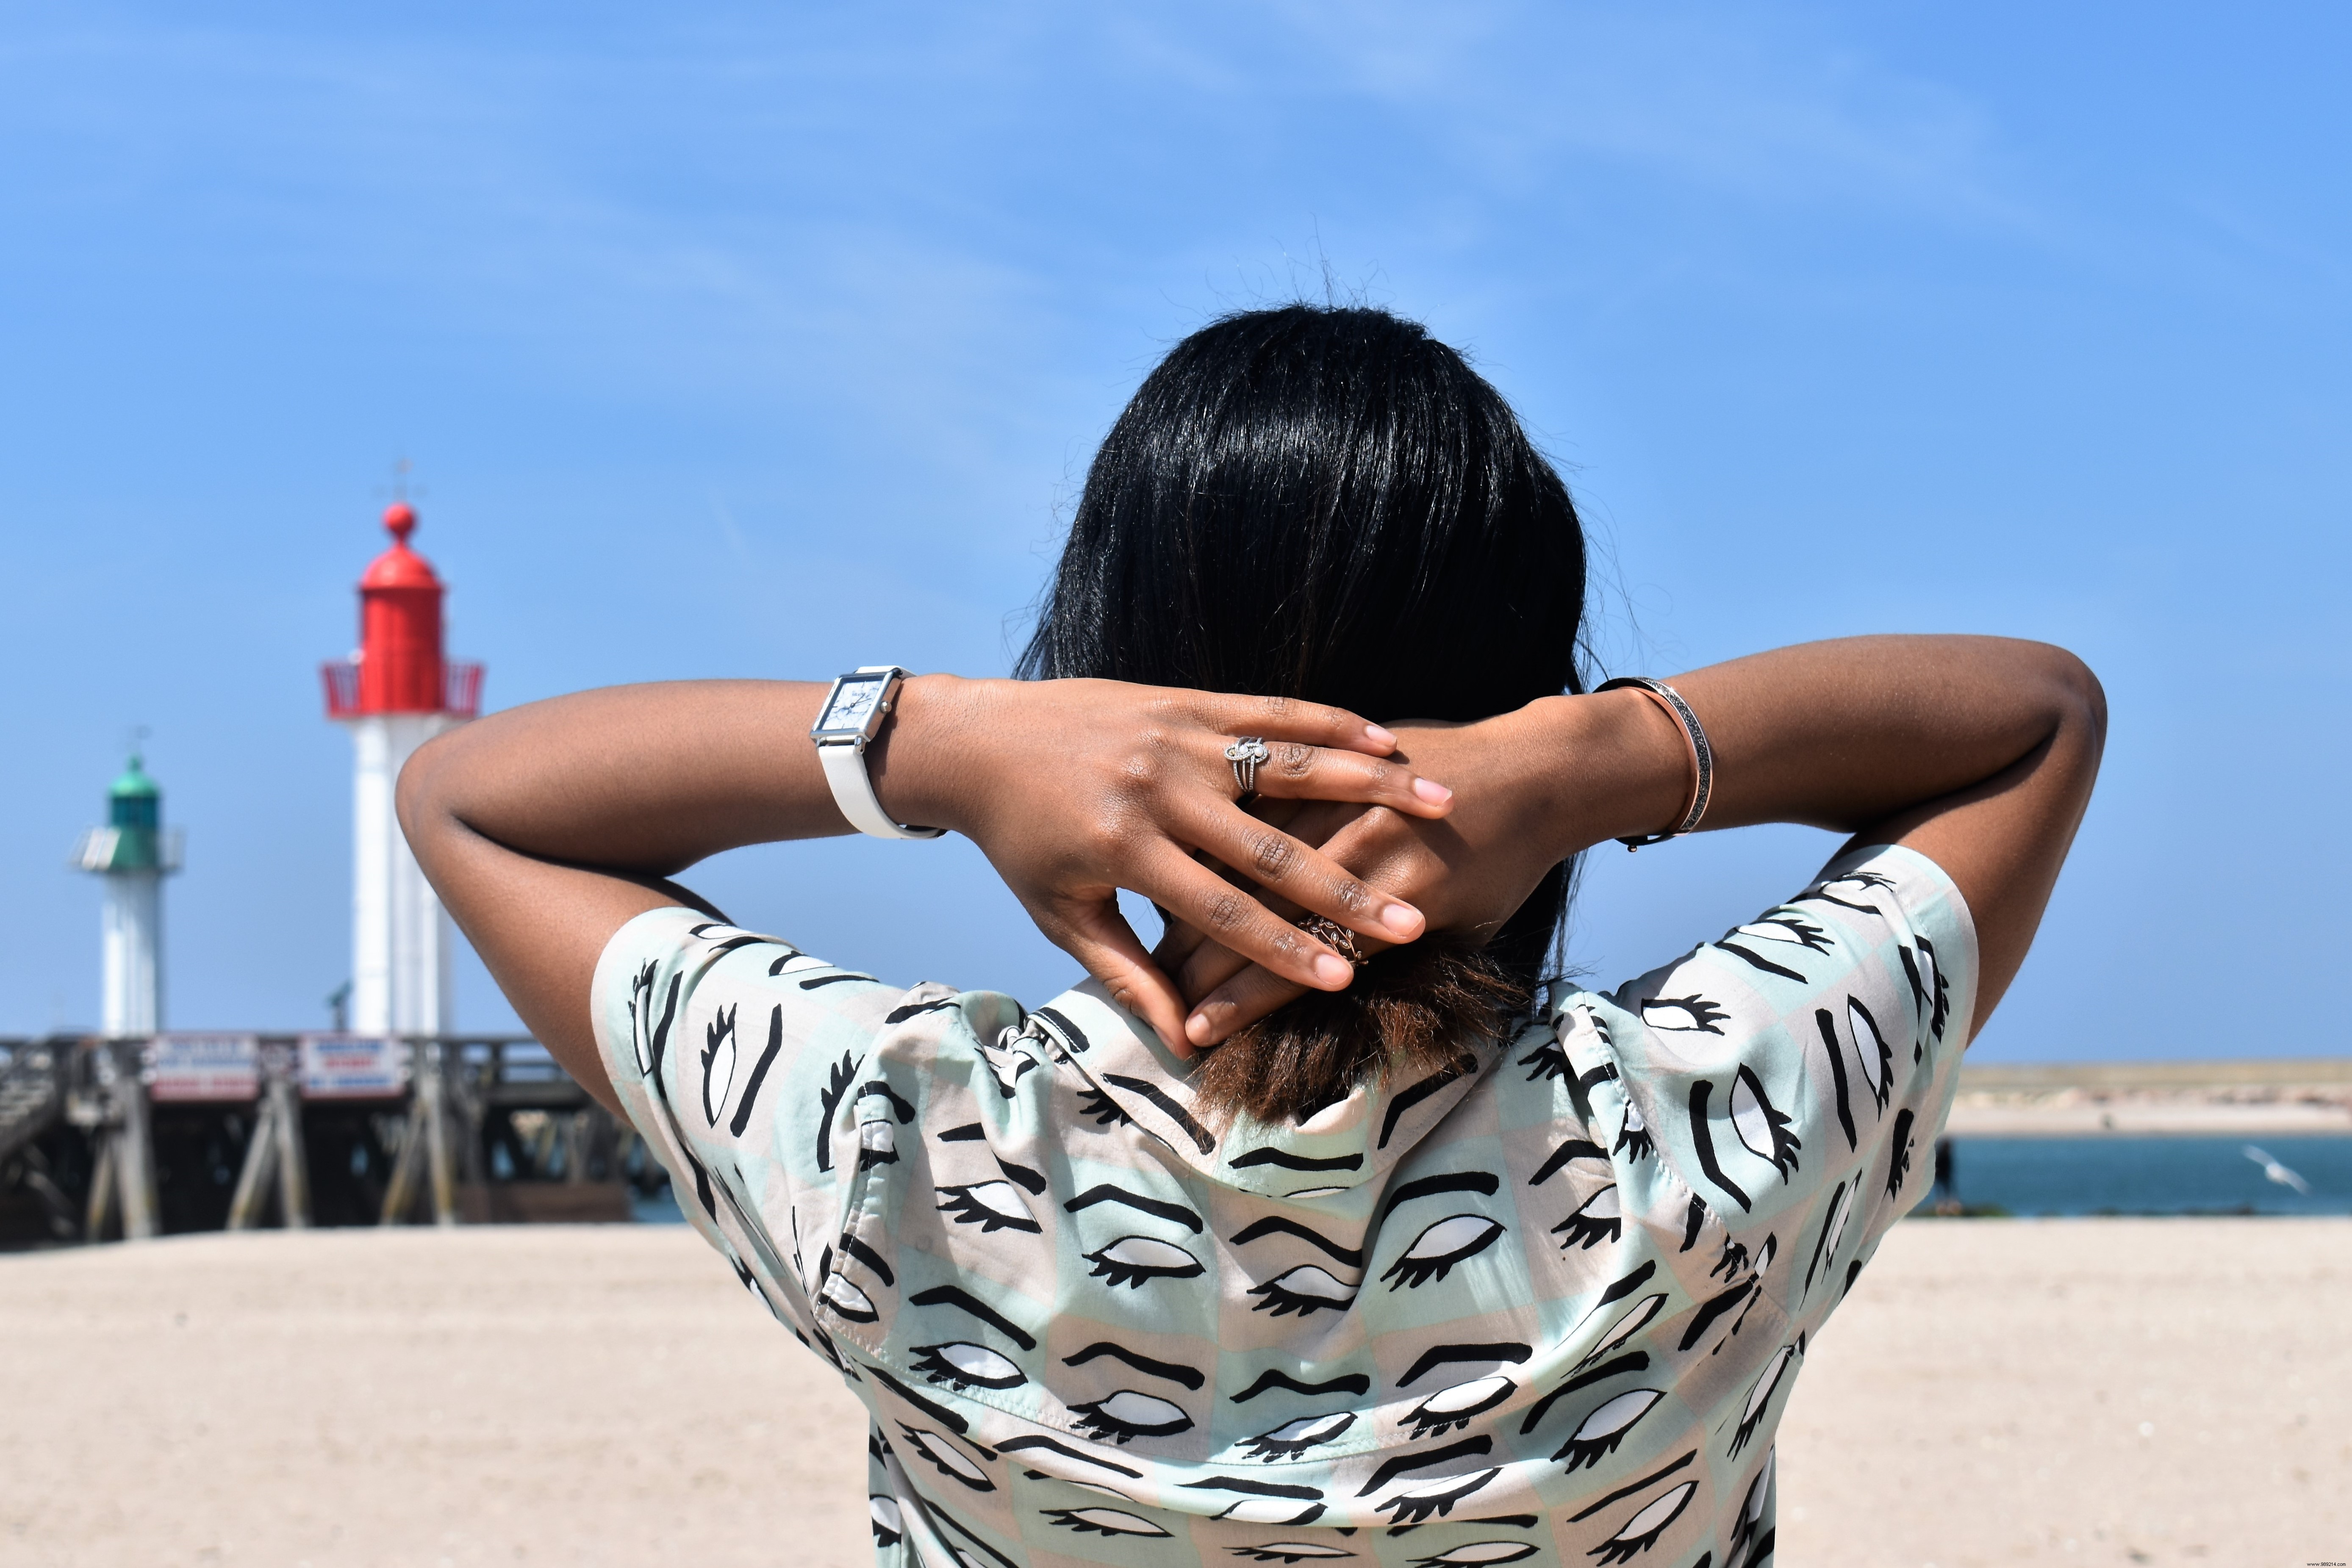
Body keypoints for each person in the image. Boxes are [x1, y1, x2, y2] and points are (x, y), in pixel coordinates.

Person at [400, 305, 2102, 1568]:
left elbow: (475, 798)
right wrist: (1590, 758)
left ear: (1100, 675)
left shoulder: (890, 1138)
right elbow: (2030, 716)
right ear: (1523, 681)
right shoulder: (1708, 1126)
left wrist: (939, 742)